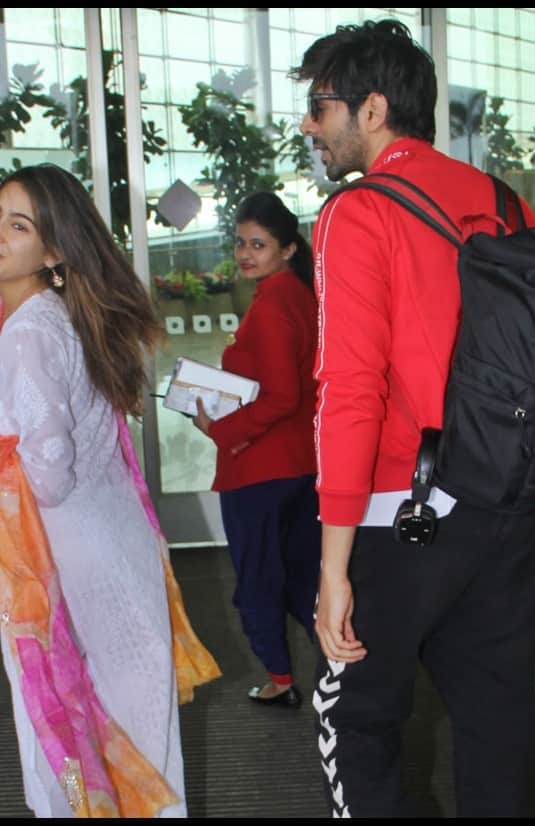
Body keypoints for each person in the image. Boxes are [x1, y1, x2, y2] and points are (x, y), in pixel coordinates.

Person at [0, 164, 220, 818]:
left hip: (70, 571)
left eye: (19, 225)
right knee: (129, 744)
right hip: (101, 555)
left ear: (54, 251)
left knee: (80, 746)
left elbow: (44, 474)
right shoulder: (34, 316)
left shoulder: (29, 333)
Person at [295, 20, 535, 817]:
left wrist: (333, 568)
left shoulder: (359, 212)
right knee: (495, 725)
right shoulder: (506, 203)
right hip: (512, 506)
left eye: (320, 106)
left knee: (353, 720)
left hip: (404, 513)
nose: (309, 124)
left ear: (372, 110)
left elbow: (350, 391)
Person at [190, 192, 321, 708]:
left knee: (259, 580)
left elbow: (282, 396)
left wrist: (220, 428)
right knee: (305, 576)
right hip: (302, 463)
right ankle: (341, 669)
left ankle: (280, 679)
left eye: (258, 244)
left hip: (260, 469)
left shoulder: (271, 305)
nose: (245, 254)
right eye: (241, 243)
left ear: (287, 249)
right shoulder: (303, 297)